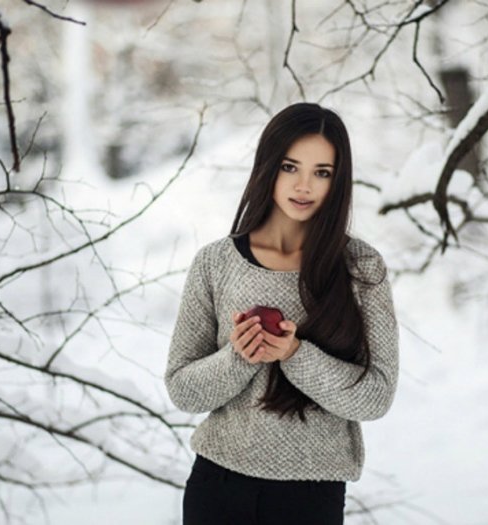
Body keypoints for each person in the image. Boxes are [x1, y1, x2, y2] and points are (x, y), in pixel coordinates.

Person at [164, 102, 400, 525]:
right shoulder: (216, 262)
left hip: (311, 497)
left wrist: (294, 354)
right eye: (291, 167)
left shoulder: (361, 268)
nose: (304, 185)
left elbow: (376, 396)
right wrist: (239, 356)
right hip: (217, 487)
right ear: (268, 166)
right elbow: (182, 390)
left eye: (322, 172)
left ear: (337, 180)